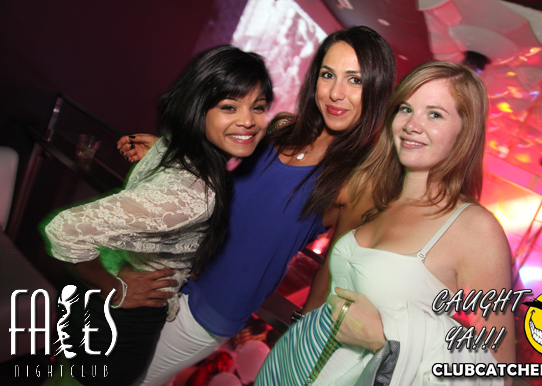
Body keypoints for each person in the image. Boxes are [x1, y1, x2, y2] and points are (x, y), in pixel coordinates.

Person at [117, 26, 397, 385]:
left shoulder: (357, 181)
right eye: (328, 75)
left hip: (214, 308)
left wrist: (299, 340)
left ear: (375, 89)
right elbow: (222, 187)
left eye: (354, 80)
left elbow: (332, 270)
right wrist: (166, 154)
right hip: (172, 271)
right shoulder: (282, 128)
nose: (336, 92)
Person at [256, 61, 515, 385]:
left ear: (465, 131)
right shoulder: (381, 200)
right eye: (406, 109)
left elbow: (499, 371)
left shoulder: (475, 228)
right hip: (286, 366)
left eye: (435, 114)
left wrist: (387, 340)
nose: (412, 125)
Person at [43, 45, 273, 385]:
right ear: (199, 108)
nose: (249, 121)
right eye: (229, 106)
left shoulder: (185, 154)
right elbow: (64, 231)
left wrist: (162, 149)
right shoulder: (194, 194)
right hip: (119, 323)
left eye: (258, 107)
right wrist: (115, 289)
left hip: (97, 308)